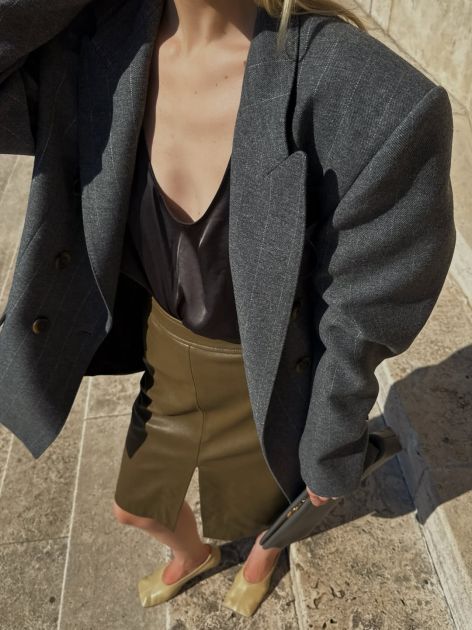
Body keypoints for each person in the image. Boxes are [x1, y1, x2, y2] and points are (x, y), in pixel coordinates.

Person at [0, 0, 455, 619]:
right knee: (134, 506)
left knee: (273, 501)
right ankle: (194, 554)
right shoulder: (94, 49)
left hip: (265, 376)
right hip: (167, 358)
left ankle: (265, 553)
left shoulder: (366, 92)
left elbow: (369, 303)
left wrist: (333, 438)